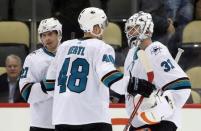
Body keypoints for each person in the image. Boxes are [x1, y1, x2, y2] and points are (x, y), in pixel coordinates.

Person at [44, 7, 149, 131]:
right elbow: (109, 77)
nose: (103, 30)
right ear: (96, 28)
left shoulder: (64, 47)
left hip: (62, 119)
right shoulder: (101, 47)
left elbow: (49, 84)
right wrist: (136, 85)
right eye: (102, 26)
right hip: (93, 119)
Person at [124, 11, 191, 131]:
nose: (130, 32)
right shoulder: (130, 54)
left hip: (160, 121)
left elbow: (183, 86)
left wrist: (161, 107)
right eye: (129, 29)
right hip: (138, 121)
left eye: (135, 28)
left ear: (148, 30)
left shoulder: (156, 50)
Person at [19, 17, 62, 131]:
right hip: (41, 125)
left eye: (50, 34)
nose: (46, 38)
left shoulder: (70, 55)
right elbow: (26, 92)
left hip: (68, 122)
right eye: (43, 35)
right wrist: (50, 84)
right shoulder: (32, 58)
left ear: (59, 34)